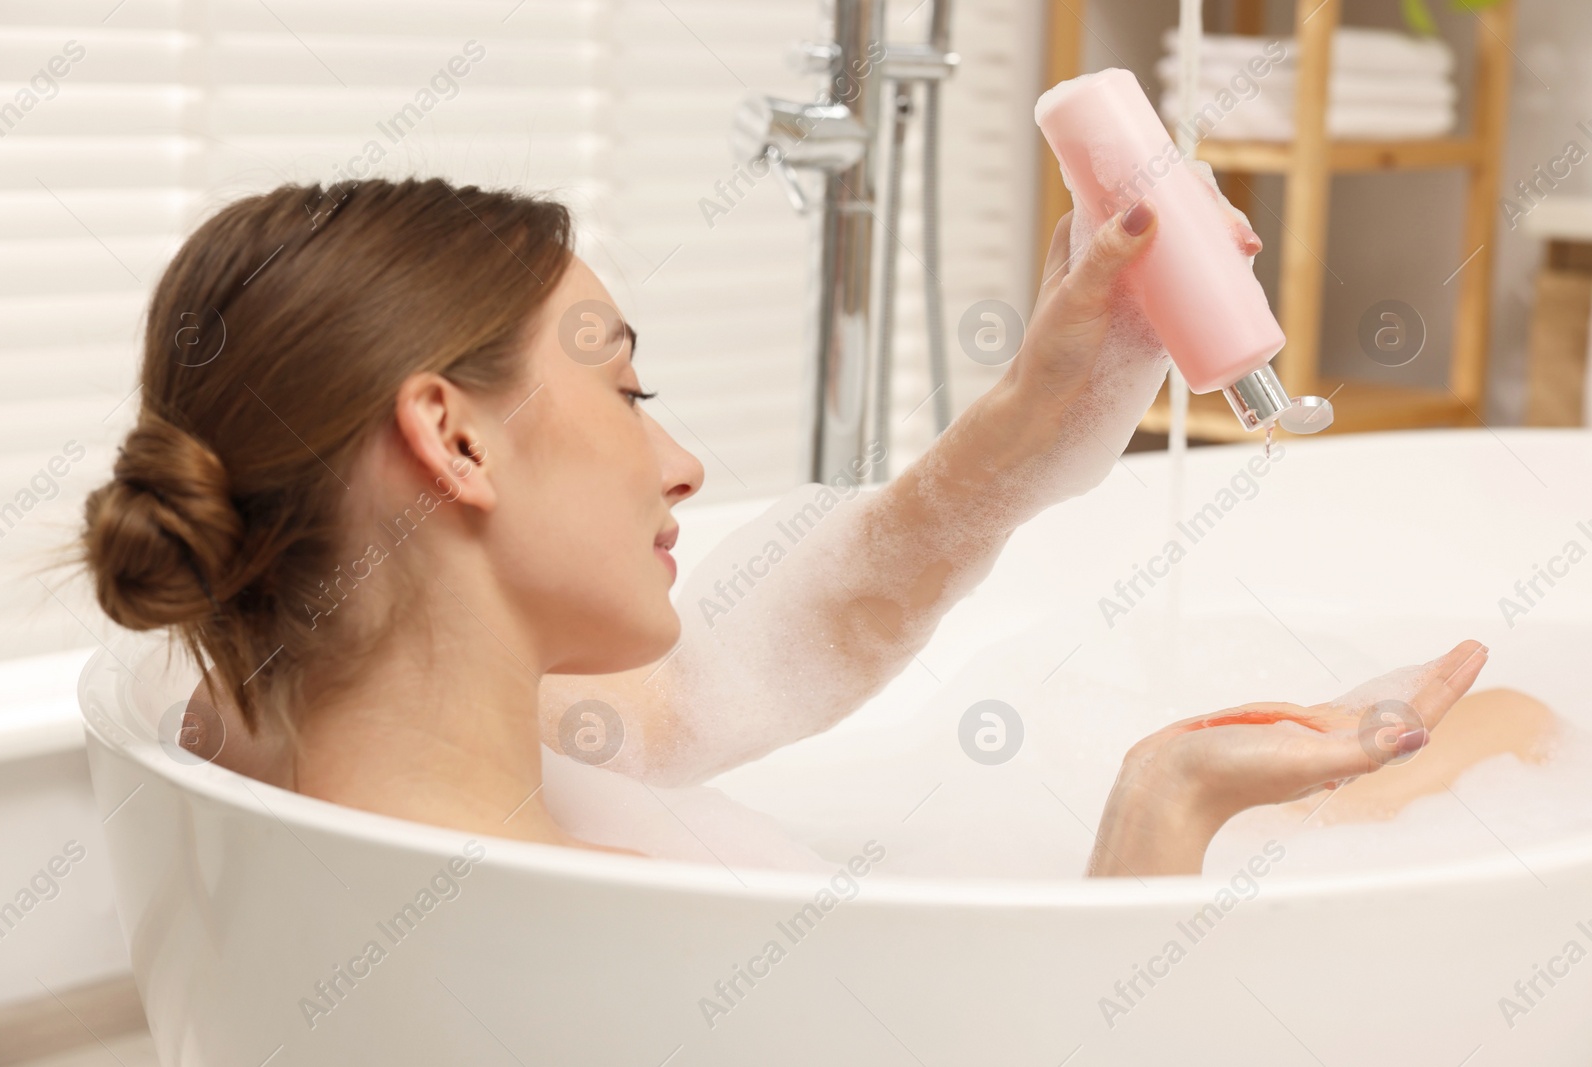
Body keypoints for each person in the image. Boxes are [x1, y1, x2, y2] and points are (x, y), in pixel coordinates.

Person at [80, 176, 1489, 876]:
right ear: (451, 437)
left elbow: (734, 666)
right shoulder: (589, 931)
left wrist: (1045, 402)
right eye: (629, 391)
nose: (683, 464)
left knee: (1494, 740)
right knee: (1499, 742)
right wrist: (1163, 809)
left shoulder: (268, 730)